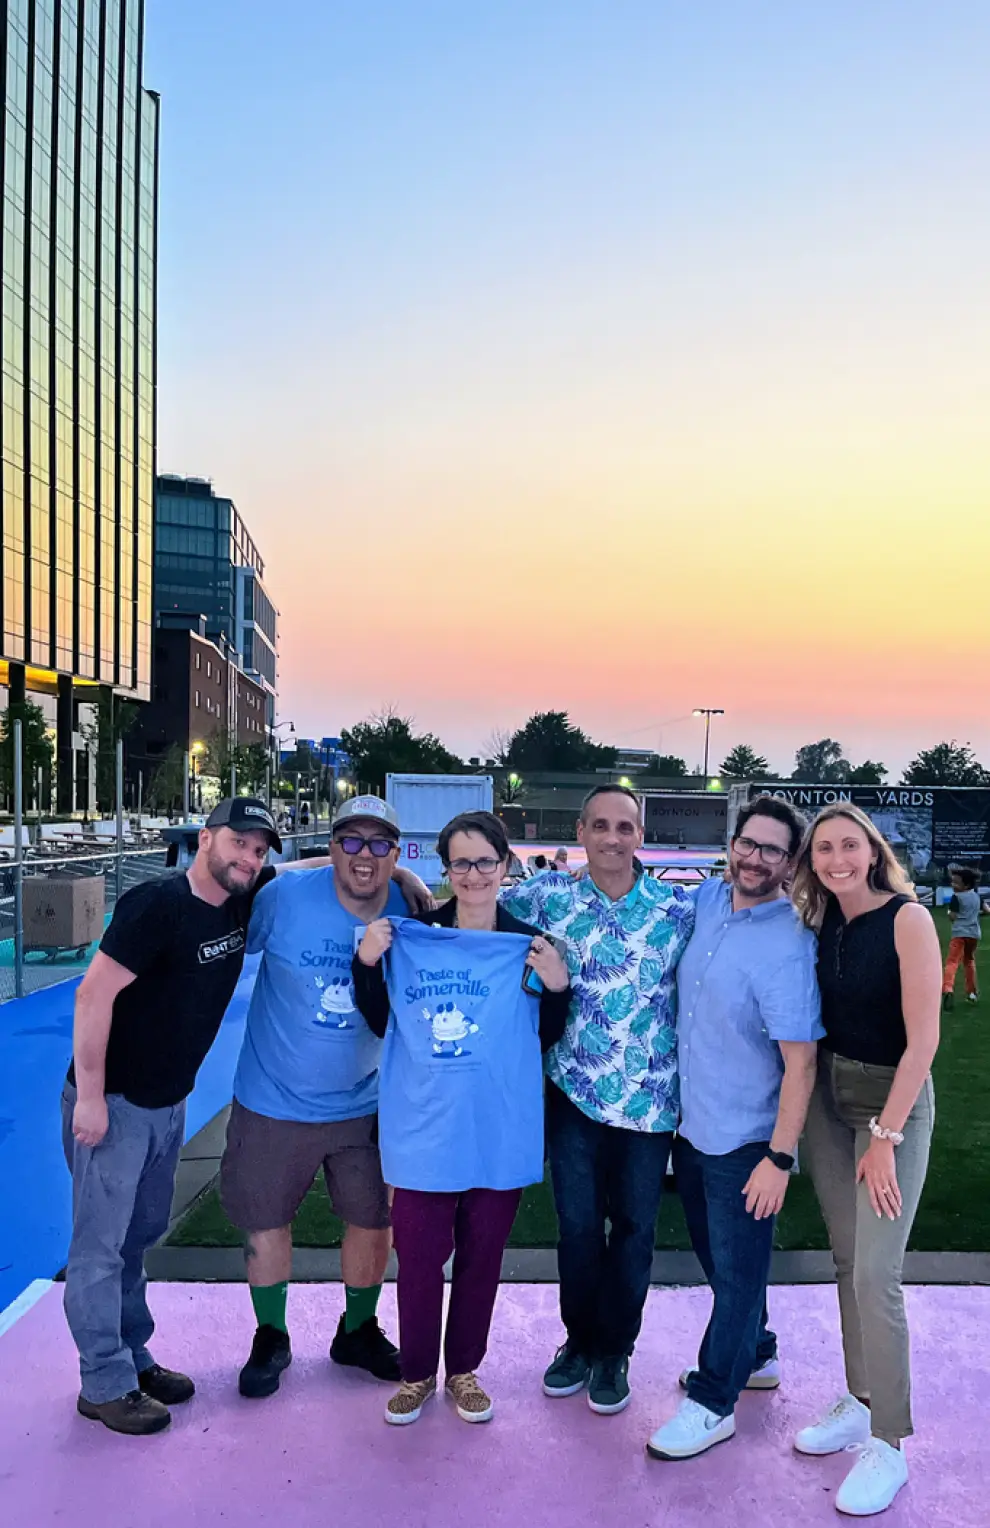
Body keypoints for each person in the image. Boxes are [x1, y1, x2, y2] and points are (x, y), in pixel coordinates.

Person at [62, 798, 283, 1435]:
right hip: (117, 1103)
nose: (249, 858)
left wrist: (396, 872)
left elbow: (306, 870)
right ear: (206, 838)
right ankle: (103, 1383)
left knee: (138, 1237)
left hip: (168, 1102)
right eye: (238, 842)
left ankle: (132, 1357)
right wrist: (93, 1097)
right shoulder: (156, 905)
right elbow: (93, 994)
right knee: (100, 1248)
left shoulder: (238, 899)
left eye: (259, 850)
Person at [352, 810, 571, 1426]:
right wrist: (366, 964)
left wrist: (558, 988)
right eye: (461, 863)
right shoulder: (414, 938)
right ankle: (417, 1372)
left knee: (482, 1258)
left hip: (497, 1126)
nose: (473, 875)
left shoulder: (529, 946)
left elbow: (543, 1036)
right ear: (445, 869)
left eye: (484, 862)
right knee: (420, 1259)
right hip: (426, 1125)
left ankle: (464, 1370)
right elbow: (381, 1019)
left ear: (504, 865)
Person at [222, 795, 425, 1400]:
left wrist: (408, 880)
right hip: (273, 1096)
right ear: (332, 846)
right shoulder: (283, 898)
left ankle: (357, 1330)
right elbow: (230, 912)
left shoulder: (409, 908)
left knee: (373, 1221)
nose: (365, 855)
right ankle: (271, 1335)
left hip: (366, 1101)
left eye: (380, 844)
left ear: (396, 851)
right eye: (351, 841)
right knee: (266, 1221)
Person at [502, 785, 695, 1415]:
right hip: (573, 1097)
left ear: (641, 836)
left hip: (649, 1102)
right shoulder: (545, 897)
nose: (613, 838)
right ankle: (579, 1342)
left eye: (625, 827)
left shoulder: (676, 909)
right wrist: (402, 885)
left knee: (635, 1231)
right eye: (601, 825)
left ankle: (615, 1350)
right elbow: (468, 904)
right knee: (579, 1229)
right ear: (581, 831)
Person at [646, 796, 822, 1461]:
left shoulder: (790, 945)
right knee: (724, 1263)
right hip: (692, 1129)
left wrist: (779, 1158)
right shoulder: (708, 901)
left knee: (739, 1274)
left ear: (790, 863)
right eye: (747, 843)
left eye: (772, 849)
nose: (754, 858)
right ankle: (758, 1354)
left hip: (748, 1141)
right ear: (732, 843)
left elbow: (800, 1062)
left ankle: (714, 1399)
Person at [790, 804, 940, 1517]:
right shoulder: (820, 920)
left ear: (873, 851)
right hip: (828, 1098)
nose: (837, 859)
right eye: (824, 848)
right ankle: (860, 1398)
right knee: (848, 1260)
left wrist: (886, 1136)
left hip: (892, 1102)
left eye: (850, 845)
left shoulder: (908, 919)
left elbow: (924, 1041)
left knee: (878, 1274)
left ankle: (889, 1440)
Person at [942, 866, 983, 1009]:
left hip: (959, 933)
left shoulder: (957, 897)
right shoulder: (977, 896)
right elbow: (987, 910)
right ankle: (972, 993)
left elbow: (953, 917)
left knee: (952, 962)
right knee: (969, 961)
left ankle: (947, 988)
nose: (952, 885)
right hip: (974, 934)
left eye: (956, 882)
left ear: (966, 885)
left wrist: (949, 913)